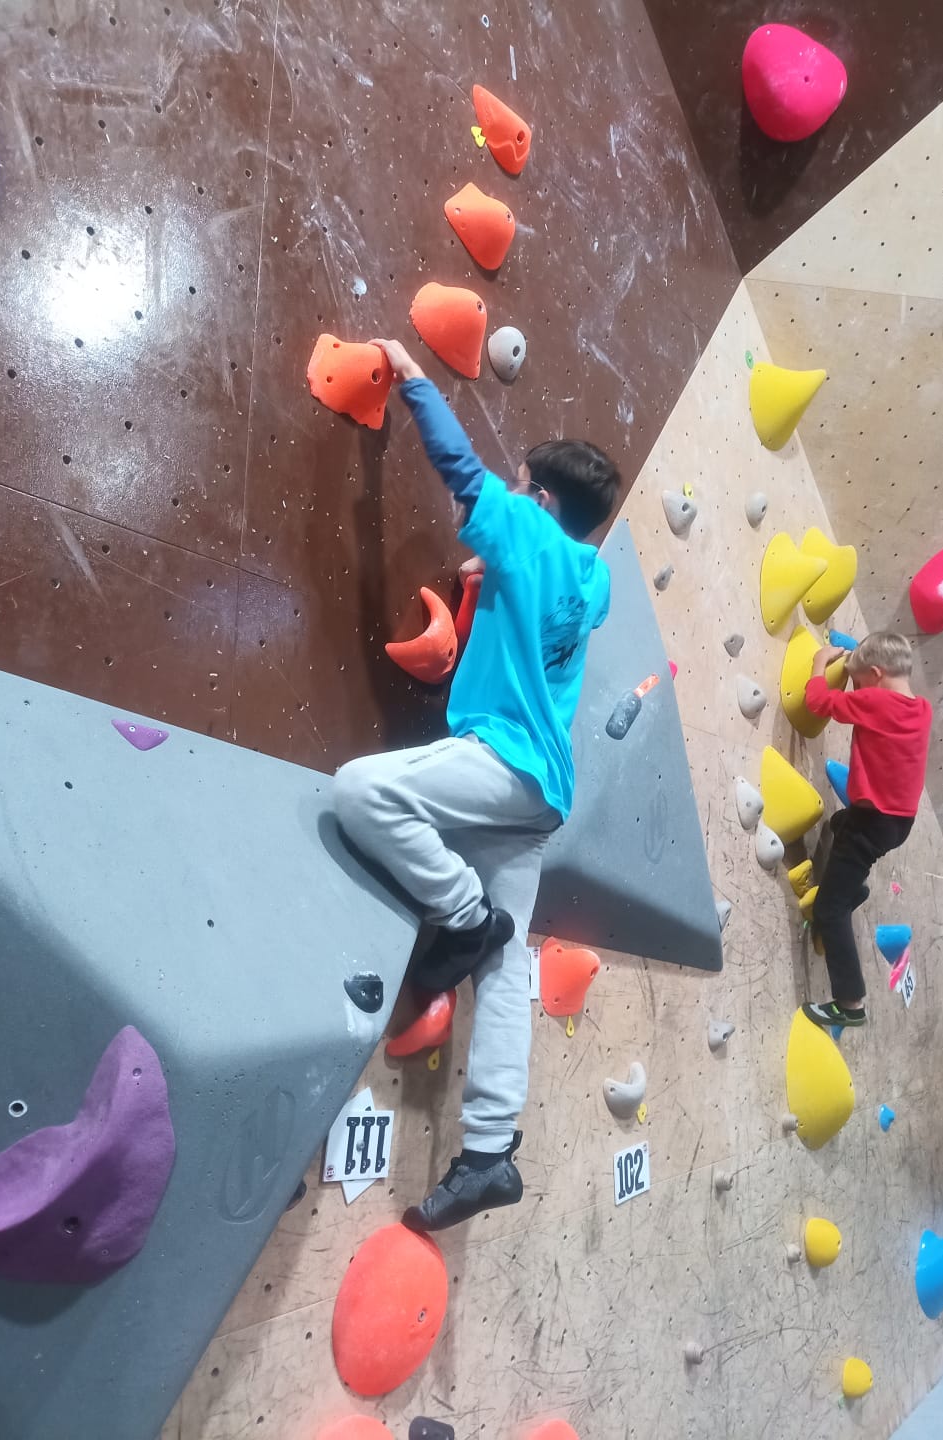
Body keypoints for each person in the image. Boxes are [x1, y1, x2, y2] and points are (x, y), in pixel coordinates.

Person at [332, 338, 619, 1231]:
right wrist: (492, 576)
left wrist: (415, 379)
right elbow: (542, 601)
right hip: (543, 797)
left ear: (540, 500)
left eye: (521, 485)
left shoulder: (526, 531)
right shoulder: (595, 576)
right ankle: (489, 1154)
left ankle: (461, 912)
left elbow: (461, 471)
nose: (509, 492)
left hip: (503, 759)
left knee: (361, 791)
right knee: (505, 972)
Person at [799, 632, 932, 1030]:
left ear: (875, 674)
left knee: (829, 908)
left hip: (871, 822)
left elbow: (818, 702)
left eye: (858, 682)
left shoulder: (875, 702)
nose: (856, 689)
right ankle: (851, 889)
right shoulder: (921, 709)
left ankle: (850, 1002)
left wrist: (820, 663)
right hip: (897, 823)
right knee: (840, 826)